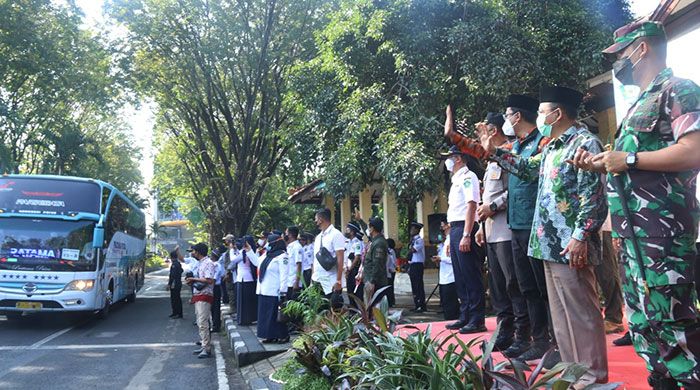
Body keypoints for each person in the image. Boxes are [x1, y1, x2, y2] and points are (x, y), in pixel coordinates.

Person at [571, 20, 700, 389]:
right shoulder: (639, 104)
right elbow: (637, 158)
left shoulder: (679, 89)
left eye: (620, 54)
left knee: (675, 325)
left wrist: (627, 159)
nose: (618, 63)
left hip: (663, 236)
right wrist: (602, 162)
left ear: (641, 48)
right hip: (633, 240)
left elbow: (693, 151)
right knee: (644, 325)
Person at [484, 86, 608, 387]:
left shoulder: (584, 142)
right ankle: (571, 373)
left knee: (581, 313)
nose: (538, 117)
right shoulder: (552, 147)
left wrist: (580, 235)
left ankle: (593, 377)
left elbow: (593, 196)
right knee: (562, 316)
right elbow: (527, 170)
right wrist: (497, 153)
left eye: (541, 112)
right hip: (548, 244)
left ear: (557, 113)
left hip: (571, 244)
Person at [475, 112, 529, 352]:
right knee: (497, 287)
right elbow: (488, 195)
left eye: (485, 129)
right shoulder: (490, 162)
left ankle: (522, 334)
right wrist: (479, 227)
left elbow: (514, 191)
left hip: (507, 230)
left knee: (513, 285)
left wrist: (493, 207)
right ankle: (503, 331)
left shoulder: (508, 155)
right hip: (490, 231)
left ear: (493, 130)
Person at [439, 144, 485, 334]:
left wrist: (466, 234)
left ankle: (476, 318)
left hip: (466, 228)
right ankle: (465, 314)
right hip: (456, 228)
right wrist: (450, 238)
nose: (447, 162)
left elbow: (471, 205)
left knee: (470, 274)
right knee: (460, 275)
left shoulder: (468, 177)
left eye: (449, 157)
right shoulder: (456, 180)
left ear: (458, 158)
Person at [252, 234, 289, 343]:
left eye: (270, 243)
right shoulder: (266, 255)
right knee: (266, 316)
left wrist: (283, 291)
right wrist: (250, 250)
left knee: (276, 315)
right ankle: (270, 335)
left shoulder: (283, 256)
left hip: (275, 290)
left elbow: (284, 275)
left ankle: (282, 335)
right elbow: (256, 262)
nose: (268, 245)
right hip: (264, 289)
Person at [185, 243, 216, 359]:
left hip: (205, 294)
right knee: (200, 322)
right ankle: (204, 345)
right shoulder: (201, 263)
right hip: (199, 294)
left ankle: (206, 348)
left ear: (198, 252)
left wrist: (193, 279)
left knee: (203, 322)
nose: (192, 253)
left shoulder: (208, 263)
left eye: (193, 251)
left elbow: (209, 280)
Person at [597, 214, 625, 335]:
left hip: (601, 224)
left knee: (606, 272)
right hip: (578, 226)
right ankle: (595, 317)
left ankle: (614, 317)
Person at [312, 208, 346, 299]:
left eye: (316, 219)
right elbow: (315, 260)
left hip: (331, 282)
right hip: (318, 280)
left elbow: (340, 258)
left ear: (320, 219)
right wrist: (312, 278)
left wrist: (338, 281)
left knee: (333, 310)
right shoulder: (318, 237)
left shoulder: (336, 235)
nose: (315, 221)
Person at [432, 220, 459, 320]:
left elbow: (454, 259)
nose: (442, 229)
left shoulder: (452, 239)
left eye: (444, 226)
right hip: (444, 276)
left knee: (451, 304)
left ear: (449, 226)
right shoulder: (446, 240)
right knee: (446, 303)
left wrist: (441, 259)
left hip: (451, 276)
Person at [228, 235, 258, 325]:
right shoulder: (252, 251)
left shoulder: (245, 252)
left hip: (244, 278)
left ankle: (244, 319)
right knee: (247, 301)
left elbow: (233, 260)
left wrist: (231, 249)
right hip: (248, 278)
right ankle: (248, 318)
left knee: (243, 302)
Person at [359, 217, 388, 306]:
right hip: (371, 281)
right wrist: (360, 220)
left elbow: (377, 264)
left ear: (372, 228)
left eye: (369, 227)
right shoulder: (375, 240)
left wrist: (372, 281)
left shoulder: (379, 243)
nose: (368, 229)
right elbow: (366, 232)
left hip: (375, 283)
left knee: (373, 309)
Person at [407, 222, 426, 312]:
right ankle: (416, 304)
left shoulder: (419, 240)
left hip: (418, 265)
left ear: (417, 230)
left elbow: (413, 250)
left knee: (418, 285)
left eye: (413, 229)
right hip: (413, 264)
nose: (411, 231)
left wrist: (410, 245)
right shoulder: (413, 240)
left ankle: (421, 305)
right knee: (414, 285)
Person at [344, 222, 365, 306]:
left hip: (354, 270)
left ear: (352, 232)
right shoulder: (348, 242)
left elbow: (357, 257)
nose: (346, 231)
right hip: (348, 270)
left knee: (357, 292)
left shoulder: (357, 242)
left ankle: (358, 311)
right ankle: (352, 310)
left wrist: (350, 269)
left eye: (348, 229)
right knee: (350, 291)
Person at [210, 247, 226, 333]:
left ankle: (216, 326)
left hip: (214, 287)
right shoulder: (218, 265)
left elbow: (214, 279)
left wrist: (210, 289)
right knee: (215, 307)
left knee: (214, 307)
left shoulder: (215, 265)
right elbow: (222, 275)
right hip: (216, 287)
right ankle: (216, 324)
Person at [285, 226, 304, 299]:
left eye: (286, 233)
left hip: (293, 283)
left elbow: (299, 265)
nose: (285, 235)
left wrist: (296, 282)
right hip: (288, 281)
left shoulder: (297, 247)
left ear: (290, 235)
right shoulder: (289, 246)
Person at [167, 249, 183, 319]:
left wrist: (169, 284)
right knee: (178, 298)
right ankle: (179, 313)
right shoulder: (178, 263)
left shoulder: (174, 265)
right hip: (178, 283)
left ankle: (176, 313)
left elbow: (172, 275)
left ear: (171, 257)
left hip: (174, 284)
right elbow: (181, 271)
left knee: (174, 299)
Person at [386, 238, 397, 307]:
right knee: (389, 286)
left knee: (390, 286)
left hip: (391, 270)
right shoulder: (389, 251)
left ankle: (391, 301)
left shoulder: (391, 251)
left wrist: (391, 268)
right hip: (389, 270)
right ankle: (390, 301)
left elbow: (393, 261)